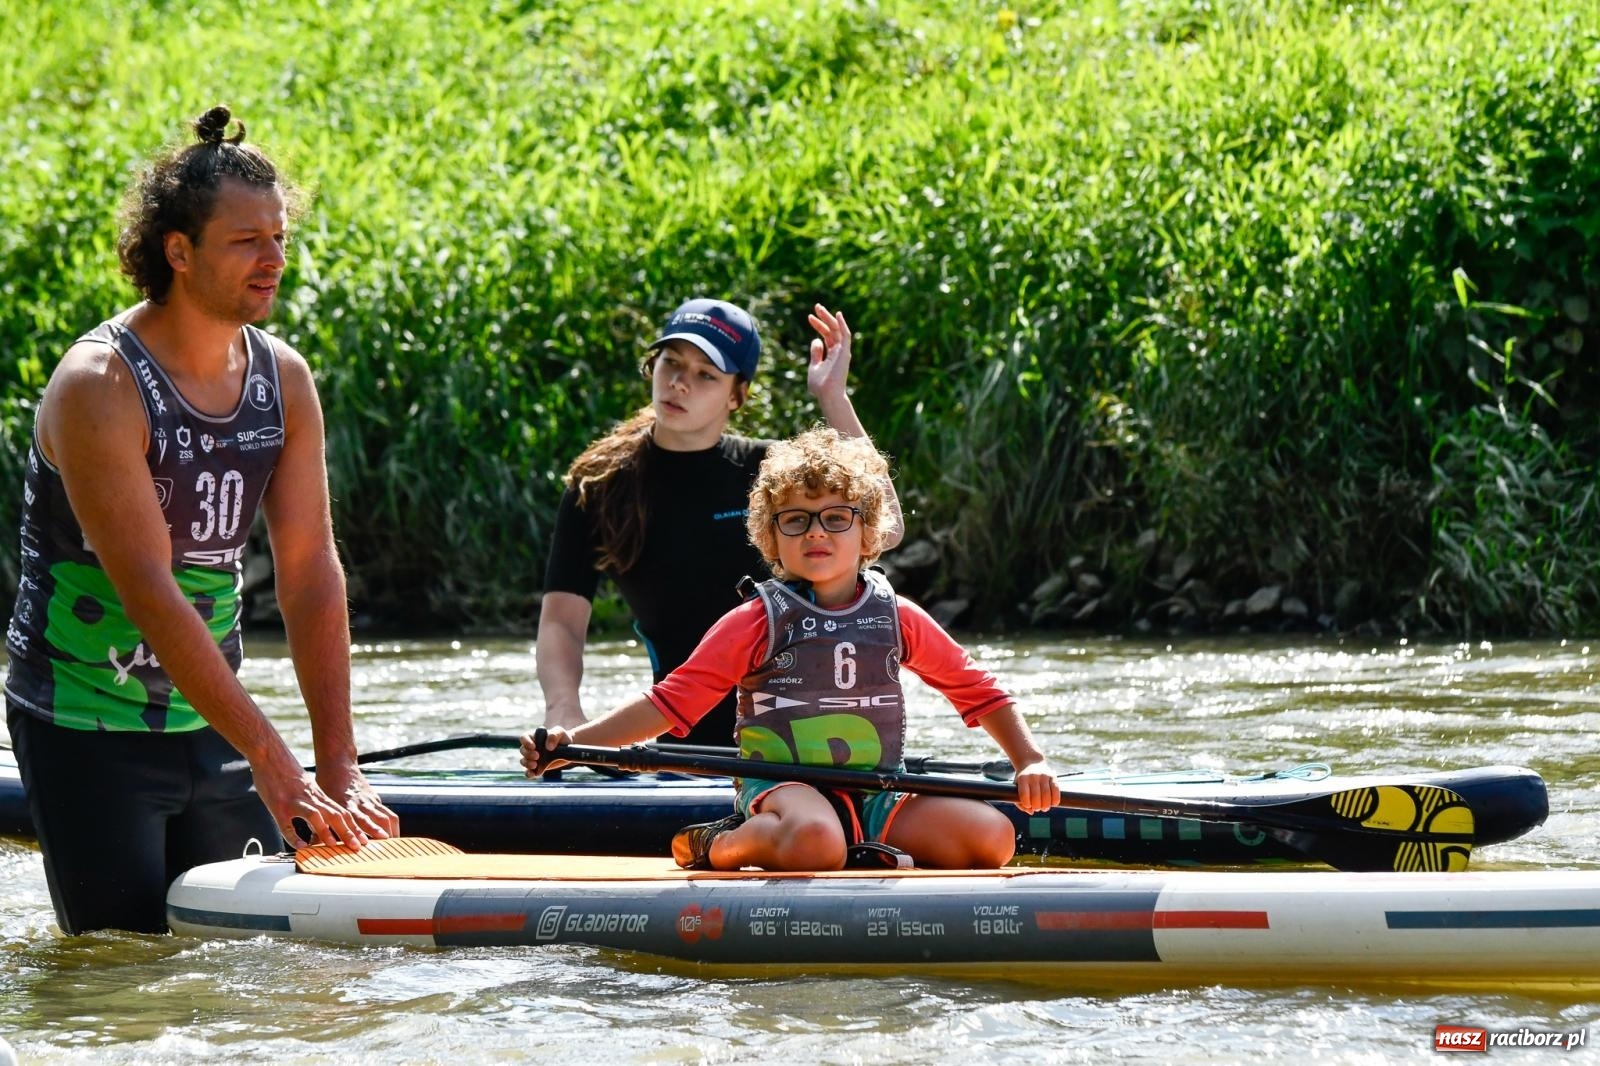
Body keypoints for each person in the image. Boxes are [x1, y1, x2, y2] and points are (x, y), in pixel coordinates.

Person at [2, 105, 399, 935]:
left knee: (243, 969)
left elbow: (309, 574)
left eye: (281, 237)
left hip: (211, 717)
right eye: (247, 241)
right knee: (123, 969)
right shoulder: (99, 385)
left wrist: (337, 760)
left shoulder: (283, 380)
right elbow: (147, 588)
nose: (275, 260)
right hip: (85, 718)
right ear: (177, 252)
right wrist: (269, 754)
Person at [522, 427, 1060, 870]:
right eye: (795, 520)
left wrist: (1029, 760)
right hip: (781, 790)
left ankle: (863, 848)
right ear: (771, 537)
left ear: (868, 531)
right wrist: (573, 743)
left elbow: (979, 692)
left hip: (877, 794)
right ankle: (719, 843)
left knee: (992, 837)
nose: (815, 533)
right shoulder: (755, 621)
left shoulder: (899, 617)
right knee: (815, 841)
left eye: (835, 517)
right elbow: (669, 705)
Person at [537, 299, 903, 746]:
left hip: (802, 743)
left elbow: (886, 528)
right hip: (682, 745)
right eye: (670, 363)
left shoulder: (773, 472)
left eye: (705, 374)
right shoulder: (597, 485)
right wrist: (566, 716)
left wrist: (833, 398)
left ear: (737, 394)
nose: (679, 384)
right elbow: (562, 623)